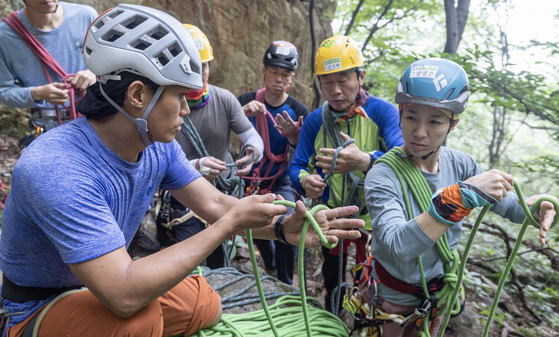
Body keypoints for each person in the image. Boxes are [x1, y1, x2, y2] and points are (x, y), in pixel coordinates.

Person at [0, 5, 365, 337]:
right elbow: (124, 296)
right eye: (179, 97)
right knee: (138, 320)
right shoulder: (57, 168)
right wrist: (228, 227)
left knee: (204, 301)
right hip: (38, 308)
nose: (187, 111)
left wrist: (283, 230)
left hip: (99, 284)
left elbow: (216, 204)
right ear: (138, 96)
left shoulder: (157, 145)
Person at [363, 57, 556, 336]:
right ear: (400, 114)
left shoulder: (461, 165)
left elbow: (509, 207)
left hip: (440, 291)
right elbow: (398, 246)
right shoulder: (383, 174)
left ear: (453, 124)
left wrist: (537, 210)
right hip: (395, 295)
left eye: (435, 121)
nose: (419, 132)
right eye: (411, 117)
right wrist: (458, 198)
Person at [289, 35, 404, 312]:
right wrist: (306, 180)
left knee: (369, 280)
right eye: (327, 82)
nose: (336, 90)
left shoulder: (383, 113)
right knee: (333, 277)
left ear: (360, 77)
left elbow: (405, 159)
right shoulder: (317, 120)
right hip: (332, 217)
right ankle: (333, 317)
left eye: (343, 80)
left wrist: (365, 161)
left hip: (374, 219)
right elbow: (297, 165)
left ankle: (365, 320)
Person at [154, 23, 264, 269]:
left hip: (223, 192)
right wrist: (195, 166)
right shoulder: (162, 105)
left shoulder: (224, 99)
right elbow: (154, 159)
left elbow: (251, 135)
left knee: (219, 259)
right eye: (191, 67)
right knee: (189, 262)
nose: (199, 74)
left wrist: (252, 151)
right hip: (182, 195)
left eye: (203, 66)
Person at [238, 40, 310, 284]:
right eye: (274, 72)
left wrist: (295, 136)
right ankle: (270, 265)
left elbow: (304, 153)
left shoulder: (299, 110)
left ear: (292, 77)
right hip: (252, 179)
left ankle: (286, 281)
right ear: (264, 72)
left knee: (288, 219)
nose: (279, 79)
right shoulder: (246, 101)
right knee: (254, 224)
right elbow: (227, 126)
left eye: (285, 74)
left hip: (282, 179)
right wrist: (242, 113)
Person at [0, 0, 98, 145]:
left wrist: (94, 73)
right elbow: (4, 91)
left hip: (97, 118)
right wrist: (38, 94)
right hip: (47, 128)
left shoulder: (86, 16)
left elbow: (114, 65)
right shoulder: (6, 36)